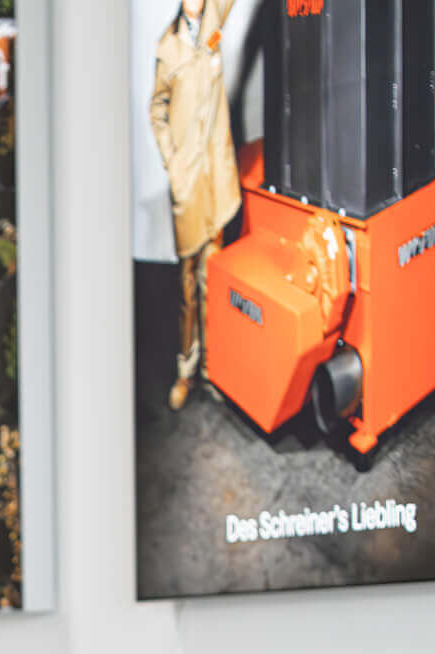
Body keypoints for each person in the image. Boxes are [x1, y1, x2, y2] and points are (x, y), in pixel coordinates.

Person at [148, 0, 243, 410]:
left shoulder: (214, 22)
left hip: (216, 176)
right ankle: (186, 368)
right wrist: (173, 164)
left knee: (213, 275)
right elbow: (157, 110)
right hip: (188, 182)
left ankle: (215, 370)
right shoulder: (167, 47)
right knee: (187, 280)